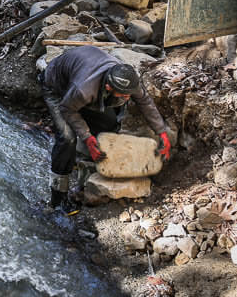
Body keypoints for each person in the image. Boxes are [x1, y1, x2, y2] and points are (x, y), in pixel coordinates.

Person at [39, 45, 173, 210]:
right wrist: (87, 137)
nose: (128, 97)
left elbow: (145, 102)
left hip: (80, 85)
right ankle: (57, 198)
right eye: (124, 95)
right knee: (67, 139)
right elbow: (67, 109)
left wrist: (162, 133)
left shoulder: (128, 80)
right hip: (56, 89)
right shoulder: (84, 89)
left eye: (129, 94)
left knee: (108, 124)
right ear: (109, 87)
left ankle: (86, 168)